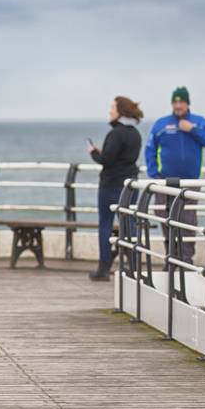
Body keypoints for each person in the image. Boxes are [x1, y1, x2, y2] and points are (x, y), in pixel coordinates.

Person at [144, 86, 205, 264]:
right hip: (165, 181)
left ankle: (186, 260)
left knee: (187, 221)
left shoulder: (199, 122)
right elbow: (149, 149)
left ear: (187, 103)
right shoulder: (161, 124)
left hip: (190, 182)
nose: (178, 106)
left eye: (181, 102)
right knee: (164, 217)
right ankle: (171, 257)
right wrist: (154, 174)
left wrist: (192, 129)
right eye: (175, 102)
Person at [87, 96, 143, 281]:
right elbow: (126, 159)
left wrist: (94, 152)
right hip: (130, 186)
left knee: (105, 224)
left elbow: (107, 161)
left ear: (120, 111)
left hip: (111, 185)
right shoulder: (135, 133)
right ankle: (134, 266)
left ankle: (103, 268)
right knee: (129, 224)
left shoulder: (115, 134)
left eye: (112, 108)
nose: (110, 111)